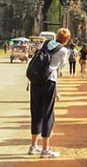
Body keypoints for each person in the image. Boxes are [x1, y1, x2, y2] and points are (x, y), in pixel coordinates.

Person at [28, 28, 70, 158]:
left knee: (36, 111)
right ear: (67, 40)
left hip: (35, 80)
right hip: (49, 82)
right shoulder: (63, 50)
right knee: (48, 113)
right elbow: (61, 67)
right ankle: (45, 149)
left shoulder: (45, 43)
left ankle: (33, 146)